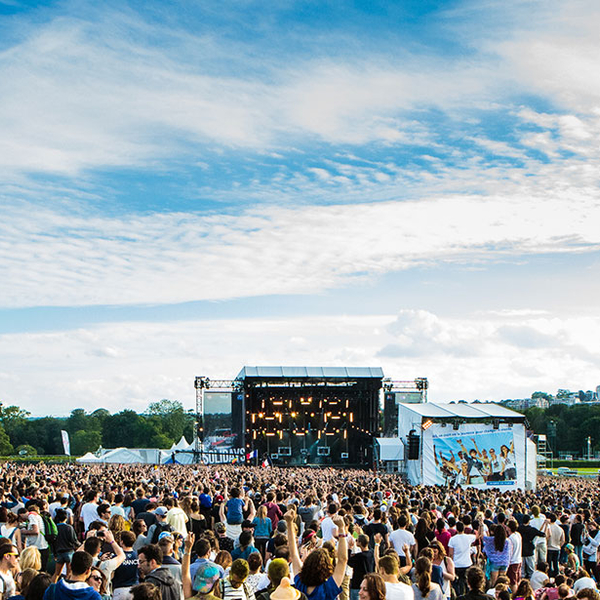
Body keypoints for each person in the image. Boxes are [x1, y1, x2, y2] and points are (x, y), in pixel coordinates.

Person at [286, 508, 347, 600]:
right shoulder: (328, 588)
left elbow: (294, 554)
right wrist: (341, 529)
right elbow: (342, 560)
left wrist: (289, 523)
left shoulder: (300, 585)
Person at [448, 522, 476, 597]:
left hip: (456, 564)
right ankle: (467, 595)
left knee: (456, 582)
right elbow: (477, 536)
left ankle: (458, 595)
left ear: (456, 529)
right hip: (467, 563)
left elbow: (451, 554)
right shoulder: (468, 537)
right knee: (466, 582)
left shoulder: (452, 539)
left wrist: (450, 563)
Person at [53, 508, 79, 582]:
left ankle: (52, 587)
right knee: (69, 574)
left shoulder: (55, 528)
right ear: (66, 518)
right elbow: (74, 540)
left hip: (59, 552)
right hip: (69, 552)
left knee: (57, 573)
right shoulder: (69, 527)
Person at [112, 530, 140, 600]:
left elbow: (112, 575)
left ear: (122, 542)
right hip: (135, 589)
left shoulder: (117, 557)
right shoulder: (138, 556)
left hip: (120, 589)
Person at [348, 535, 376, 600]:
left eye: (357, 540)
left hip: (357, 584)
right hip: (369, 583)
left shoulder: (359, 556)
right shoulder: (371, 553)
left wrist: (350, 548)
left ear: (360, 543)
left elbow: (348, 561)